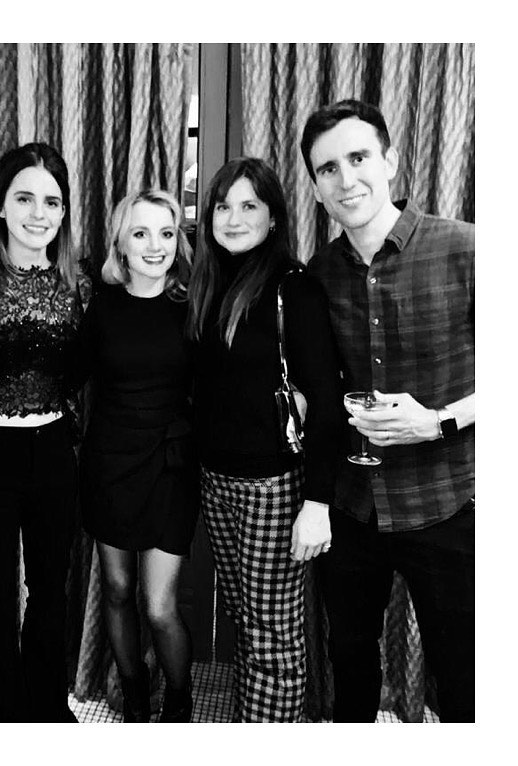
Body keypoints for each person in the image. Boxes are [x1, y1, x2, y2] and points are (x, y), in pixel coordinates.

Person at [301, 99, 475, 722]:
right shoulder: (318, 274)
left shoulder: (467, 249)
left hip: (448, 502)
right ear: (315, 188)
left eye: (358, 158)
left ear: (391, 161)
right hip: (354, 507)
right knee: (349, 667)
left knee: (464, 678)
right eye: (328, 169)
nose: (346, 179)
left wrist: (439, 420)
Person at [186, 158, 344, 722]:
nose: (233, 218)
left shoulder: (293, 288)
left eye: (249, 205)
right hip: (216, 480)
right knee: (245, 619)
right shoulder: (208, 283)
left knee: (272, 634)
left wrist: (317, 503)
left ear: (273, 217)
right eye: (223, 206)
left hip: (272, 488)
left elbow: (327, 402)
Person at [0, 143, 91, 722]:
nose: (39, 213)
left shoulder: (81, 285)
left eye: (52, 202)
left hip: (54, 450)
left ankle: (47, 710)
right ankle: (0, 721)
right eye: (25, 198)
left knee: (51, 589)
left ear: (65, 212)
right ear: (0, 206)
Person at [77, 190, 198, 723]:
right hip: (110, 463)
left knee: (159, 605)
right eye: (141, 233)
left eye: (166, 233)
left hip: (170, 467)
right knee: (118, 589)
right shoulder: (101, 305)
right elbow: (68, 376)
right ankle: (133, 695)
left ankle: (178, 701)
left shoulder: (192, 305)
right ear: (121, 244)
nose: (155, 246)